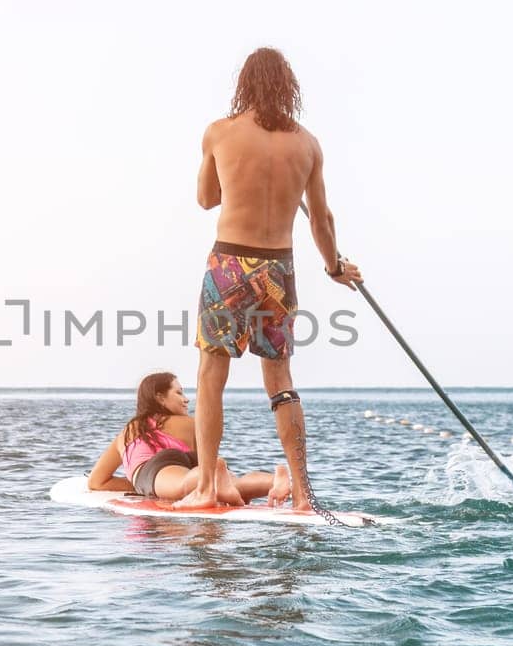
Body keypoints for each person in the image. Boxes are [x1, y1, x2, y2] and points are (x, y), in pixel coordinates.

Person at [181, 48, 362, 512]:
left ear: (243, 84)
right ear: (289, 87)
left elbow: (206, 199)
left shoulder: (220, 133)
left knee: (210, 377)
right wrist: (335, 268)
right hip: (278, 269)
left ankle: (204, 488)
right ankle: (303, 494)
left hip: (229, 265)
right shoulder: (307, 145)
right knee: (280, 378)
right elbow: (321, 219)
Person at [87, 371, 290, 505]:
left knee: (182, 484)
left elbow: (97, 481)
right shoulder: (191, 423)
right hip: (194, 465)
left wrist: (142, 484)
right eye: (179, 393)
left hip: (155, 469)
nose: (186, 399)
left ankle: (216, 477)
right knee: (234, 482)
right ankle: (275, 480)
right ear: (159, 397)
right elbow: (203, 461)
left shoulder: (130, 430)